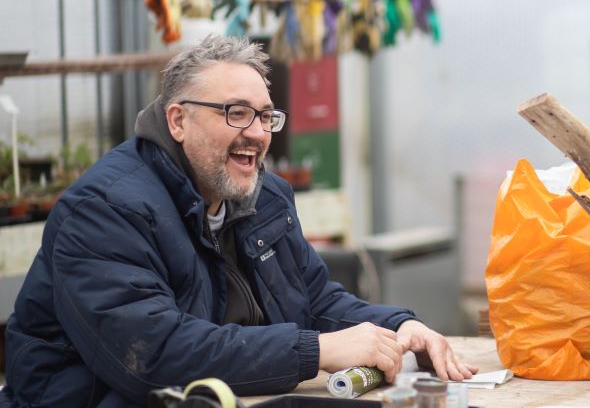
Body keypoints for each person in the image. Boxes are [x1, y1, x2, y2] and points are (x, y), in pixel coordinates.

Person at [1, 36, 477, 407]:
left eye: (266, 117)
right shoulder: (106, 210)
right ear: (177, 121)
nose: (255, 133)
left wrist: (395, 327)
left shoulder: (264, 195)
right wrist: (317, 352)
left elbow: (312, 297)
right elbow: (153, 355)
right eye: (236, 113)